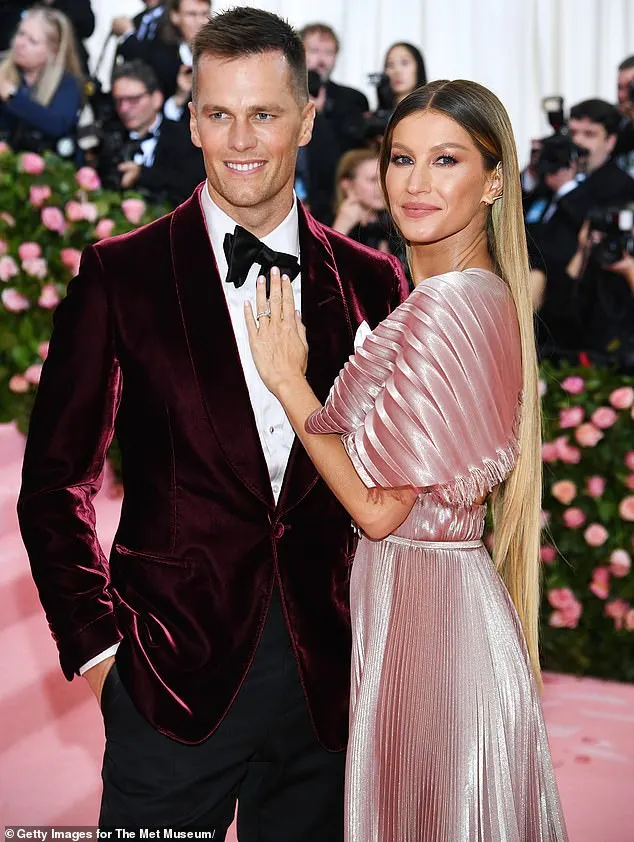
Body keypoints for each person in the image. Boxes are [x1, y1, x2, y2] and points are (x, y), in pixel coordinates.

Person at [17, 6, 408, 838]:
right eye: (219, 113)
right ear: (190, 119)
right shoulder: (121, 274)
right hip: (168, 683)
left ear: (306, 117)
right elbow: (54, 485)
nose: (241, 139)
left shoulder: (375, 282)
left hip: (327, 690)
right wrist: (101, 659)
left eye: (264, 113)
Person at [245, 79, 569, 840]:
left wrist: (288, 379)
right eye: (401, 158)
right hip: (440, 609)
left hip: (428, 627)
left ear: (493, 179)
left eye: (446, 160)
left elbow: (378, 508)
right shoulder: (485, 295)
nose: (415, 183)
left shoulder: (447, 304)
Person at [97, 59, 205, 205]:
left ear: (156, 99)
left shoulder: (185, 138)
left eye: (133, 100)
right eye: (119, 101)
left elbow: (193, 187)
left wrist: (143, 175)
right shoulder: (109, 138)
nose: (124, 109)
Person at [0, 6, 83, 153]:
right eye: (21, 34)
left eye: (32, 41)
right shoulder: (3, 69)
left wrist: (13, 96)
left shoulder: (66, 83)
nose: (20, 44)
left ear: (53, 50)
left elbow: (58, 125)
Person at [332, 148, 391, 253]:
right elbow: (321, 267)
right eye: (372, 180)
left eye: (383, 178)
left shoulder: (393, 224)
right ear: (348, 185)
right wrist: (342, 226)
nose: (381, 186)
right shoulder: (320, 224)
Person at [383, 41, 426, 107]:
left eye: (404, 62)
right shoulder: (375, 115)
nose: (397, 70)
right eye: (390, 64)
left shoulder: (432, 113)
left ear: (418, 67)